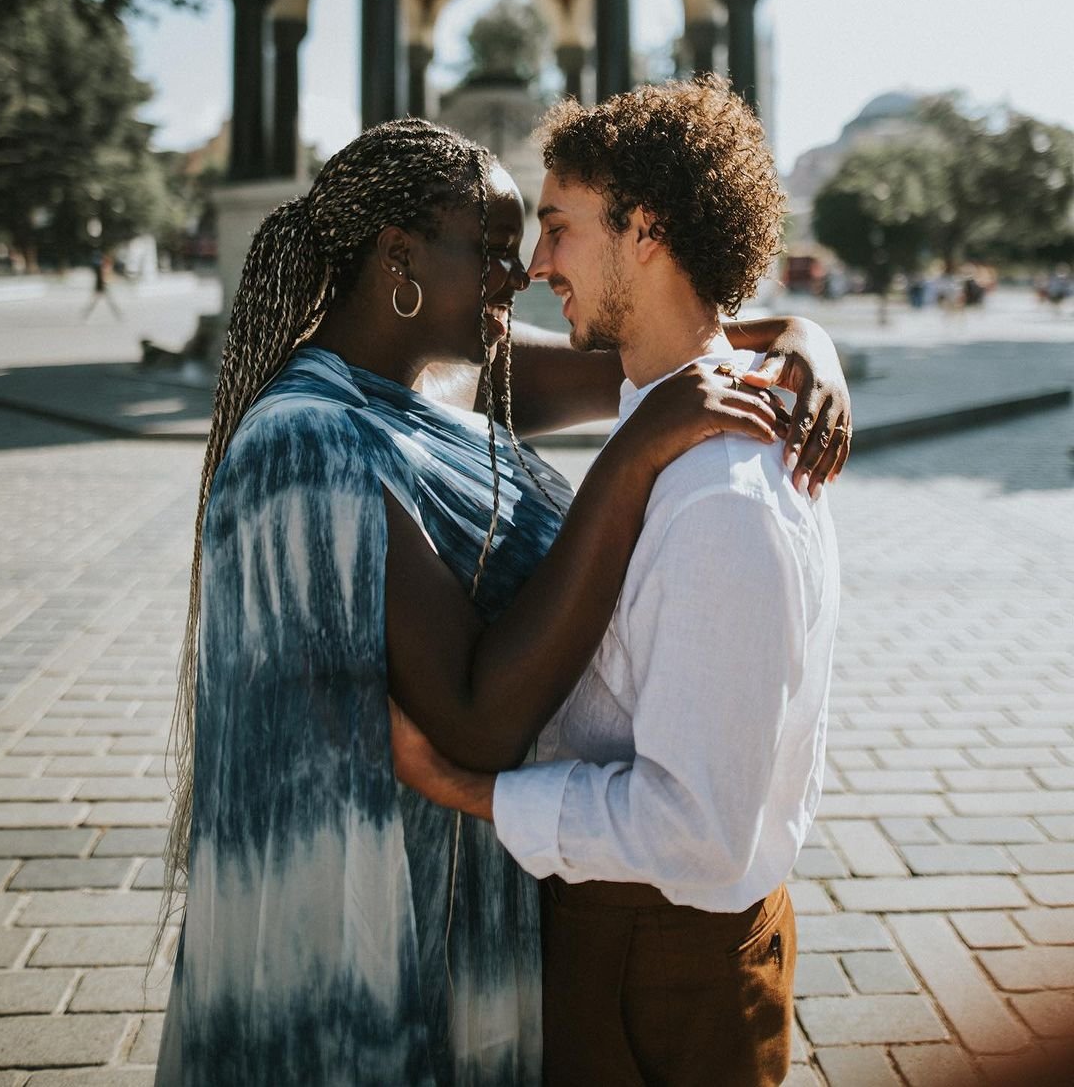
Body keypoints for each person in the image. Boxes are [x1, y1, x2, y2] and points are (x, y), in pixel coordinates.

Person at [155, 116, 849, 1086]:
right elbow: (474, 721)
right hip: (371, 930)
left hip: (478, 899)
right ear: (400, 256)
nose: (518, 271)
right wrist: (629, 467)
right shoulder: (308, 443)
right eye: (487, 246)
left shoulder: (444, 384)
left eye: (532, 236)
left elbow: (653, 351)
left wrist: (810, 340)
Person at [391, 78, 845, 1087]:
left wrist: (466, 788)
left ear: (646, 230)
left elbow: (697, 832)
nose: (537, 262)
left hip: (660, 957)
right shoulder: (672, 418)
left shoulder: (724, 497)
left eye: (558, 227)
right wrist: (799, 333)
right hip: (635, 936)